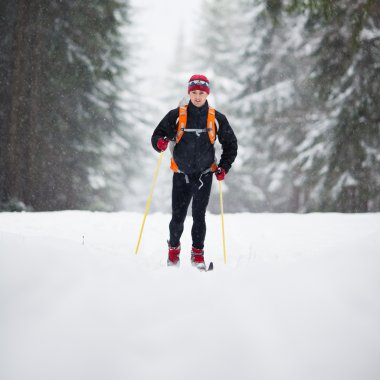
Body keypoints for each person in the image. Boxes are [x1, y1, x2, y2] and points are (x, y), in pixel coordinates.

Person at [151, 74, 238, 269]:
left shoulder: (216, 118)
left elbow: (231, 144)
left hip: (204, 175)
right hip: (181, 175)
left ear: (207, 94)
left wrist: (224, 167)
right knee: (178, 217)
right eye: (194, 92)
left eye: (201, 93)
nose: (197, 96)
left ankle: (197, 255)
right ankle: (173, 252)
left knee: (199, 217)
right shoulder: (176, 115)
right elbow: (157, 135)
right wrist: (160, 143)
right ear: (189, 92)